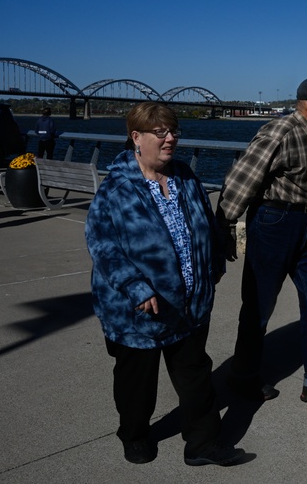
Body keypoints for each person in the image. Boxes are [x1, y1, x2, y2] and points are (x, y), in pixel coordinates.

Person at [85, 102, 243, 467]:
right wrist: (137, 288)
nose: (170, 138)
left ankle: (203, 443)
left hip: (189, 302)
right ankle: (134, 434)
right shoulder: (117, 187)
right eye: (160, 132)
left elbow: (206, 225)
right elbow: (102, 245)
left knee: (195, 375)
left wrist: (215, 264)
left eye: (173, 131)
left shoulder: (186, 177)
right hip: (139, 309)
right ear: (136, 137)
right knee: (136, 381)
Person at [217, 76, 307, 408]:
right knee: (259, 307)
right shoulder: (280, 132)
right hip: (274, 222)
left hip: (306, 222)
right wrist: (222, 228)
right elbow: (242, 179)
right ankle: (243, 376)